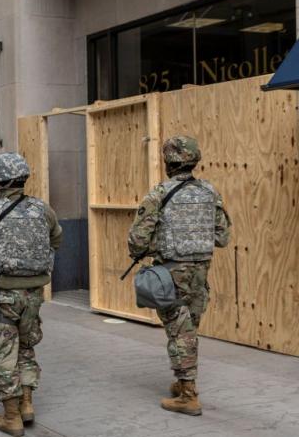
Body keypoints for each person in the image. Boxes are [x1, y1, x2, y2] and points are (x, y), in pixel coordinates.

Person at [0, 153, 62, 436]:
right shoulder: (42, 209)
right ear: (24, 178)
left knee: (4, 351)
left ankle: (11, 416)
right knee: (27, 347)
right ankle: (27, 404)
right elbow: (57, 239)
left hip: (2, 294)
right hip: (33, 294)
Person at [127, 135, 231, 416]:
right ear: (194, 160)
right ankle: (182, 381)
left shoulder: (158, 193)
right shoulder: (210, 192)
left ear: (167, 163)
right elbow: (222, 237)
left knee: (178, 329)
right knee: (189, 326)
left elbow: (137, 239)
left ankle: (188, 394)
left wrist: (151, 247)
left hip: (171, 272)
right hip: (200, 272)